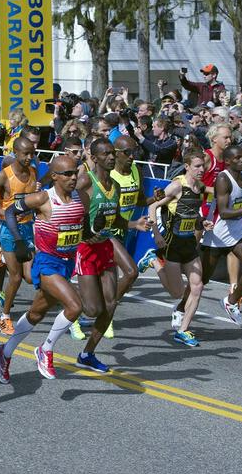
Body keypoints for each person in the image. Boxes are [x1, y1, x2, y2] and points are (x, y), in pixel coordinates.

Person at [0, 155, 86, 383]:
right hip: (46, 263)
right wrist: (19, 241)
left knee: (36, 313)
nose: (73, 177)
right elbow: (9, 212)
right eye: (67, 174)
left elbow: (80, 227)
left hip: (67, 263)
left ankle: (4, 353)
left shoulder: (80, 197)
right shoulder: (43, 198)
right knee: (74, 307)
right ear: (54, 176)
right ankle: (46, 349)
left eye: (75, 172)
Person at [72, 138, 150, 371]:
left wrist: (135, 224)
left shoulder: (115, 185)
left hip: (107, 241)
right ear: (94, 158)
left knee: (111, 303)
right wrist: (84, 230)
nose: (111, 157)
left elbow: (116, 218)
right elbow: (66, 204)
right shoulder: (85, 180)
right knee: (93, 310)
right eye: (106, 154)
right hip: (86, 246)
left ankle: (87, 354)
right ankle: (70, 301)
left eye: (112, 154)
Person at [147, 149, 212, 345]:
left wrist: (201, 223)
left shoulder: (199, 188)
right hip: (172, 244)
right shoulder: (176, 186)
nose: (201, 170)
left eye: (203, 166)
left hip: (189, 244)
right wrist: (157, 234)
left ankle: (183, 330)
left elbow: (192, 213)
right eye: (197, 166)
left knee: (197, 286)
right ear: (187, 167)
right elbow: (153, 206)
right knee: (176, 293)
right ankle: (153, 261)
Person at [200, 144, 242, 326]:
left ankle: (230, 301)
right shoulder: (223, 179)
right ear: (227, 162)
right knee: (202, 280)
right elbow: (223, 212)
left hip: (237, 233)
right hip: (218, 234)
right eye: (237, 158)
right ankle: (182, 309)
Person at [0, 136, 38, 334]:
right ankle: (4, 317)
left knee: (31, 278)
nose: (30, 157)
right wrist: (6, 214)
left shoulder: (33, 172)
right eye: (26, 154)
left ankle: (0, 260)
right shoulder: (4, 176)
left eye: (33, 153)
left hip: (26, 228)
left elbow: (31, 200)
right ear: (16, 153)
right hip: (7, 229)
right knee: (15, 277)